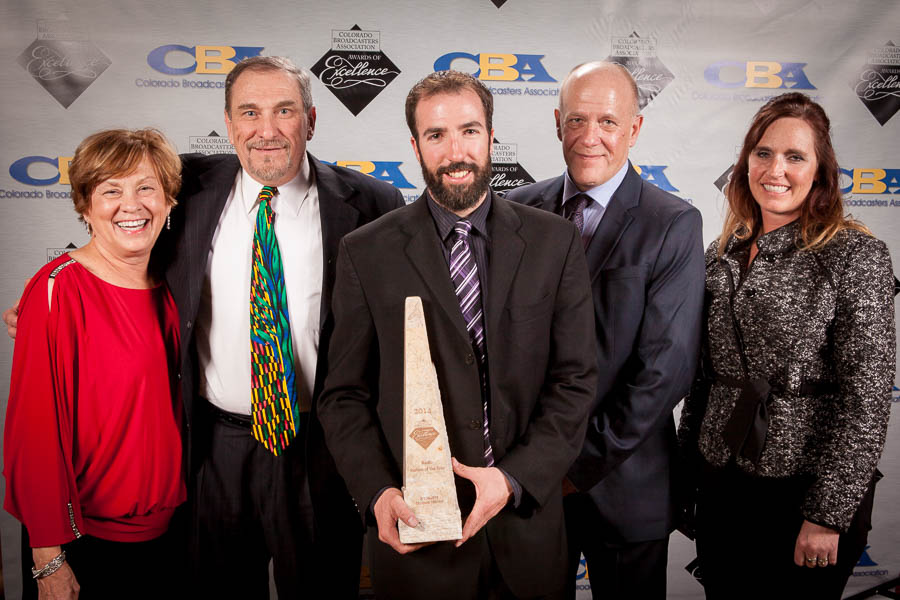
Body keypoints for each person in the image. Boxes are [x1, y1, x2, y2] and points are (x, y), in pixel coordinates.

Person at [4, 56, 404, 599]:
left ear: (311, 120)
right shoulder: (191, 185)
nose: (266, 129)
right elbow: (118, 233)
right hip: (213, 450)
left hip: (319, 448)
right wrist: (51, 302)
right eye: (250, 112)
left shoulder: (373, 203)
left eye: (285, 111)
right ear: (229, 124)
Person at [316, 70, 598, 600]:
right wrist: (377, 493)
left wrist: (513, 479)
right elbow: (343, 396)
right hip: (420, 539)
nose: (455, 152)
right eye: (436, 135)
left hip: (528, 535)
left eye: (469, 131)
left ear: (491, 136)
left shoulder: (554, 242)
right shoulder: (367, 251)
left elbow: (575, 380)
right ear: (415, 146)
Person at [678, 92, 895, 599]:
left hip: (803, 494)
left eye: (795, 156)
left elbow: (867, 399)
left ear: (820, 173)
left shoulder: (854, 255)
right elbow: (704, 379)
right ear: (746, 162)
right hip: (722, 486)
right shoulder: (721, 254)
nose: (775, 170)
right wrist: (686, 477)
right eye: (763, 153)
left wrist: (826, 515)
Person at [505, 61, 704, 599]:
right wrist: (534, 466)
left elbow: (666, 370)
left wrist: (572, 466)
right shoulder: (516, 209)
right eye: (577, 120)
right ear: (557, 123)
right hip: (527, 483)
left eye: (609, 122)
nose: (590, 137)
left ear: (634, 129)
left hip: (625, 485)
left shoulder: (672, 222)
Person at [4, 128, 185, 599]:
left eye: (146, 187)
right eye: (111, 191)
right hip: (83, 542)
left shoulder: (177, 289)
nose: (132, 205)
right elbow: (33, 433)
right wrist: (48, 558)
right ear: (85, 206)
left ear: (169, 201)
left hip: (172, 535)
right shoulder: (58, 289)